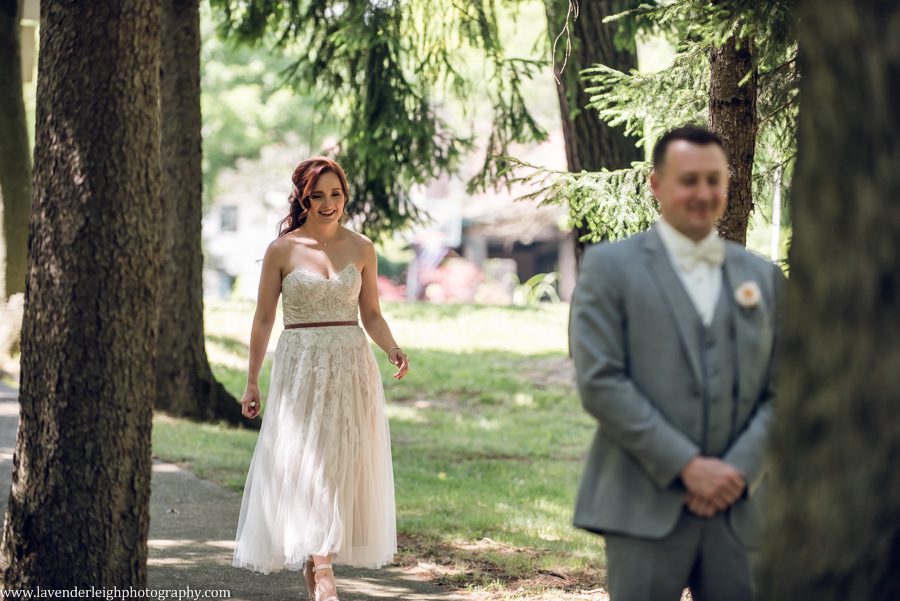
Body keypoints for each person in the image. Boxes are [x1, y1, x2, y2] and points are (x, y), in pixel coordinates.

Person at [569, 126, 786, 600]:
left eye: (715, 180)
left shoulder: (763, 278)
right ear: (656, 185)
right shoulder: (609, 268)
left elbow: (786, 388)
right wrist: (687, 466)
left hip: (741, 510)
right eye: (689, 180)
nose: (704, 193)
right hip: (643, 504)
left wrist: (740, 471)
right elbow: (600, 380)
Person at [232, 156, 409, 601]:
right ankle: (324, 567)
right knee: (307, 461)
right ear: (303, 199)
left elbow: (371, 314)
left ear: (344, 196)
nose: (328, 203)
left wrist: (392, 348)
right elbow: (262, 319)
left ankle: (319, 556)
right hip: (301, 364)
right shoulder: (283, 250)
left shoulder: (362, 247)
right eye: (318, 196)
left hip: (351, 364)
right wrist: (252, 381)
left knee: (339, 460)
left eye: (335, 194)